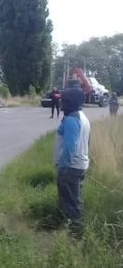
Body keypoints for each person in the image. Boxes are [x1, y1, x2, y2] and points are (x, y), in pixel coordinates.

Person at [54, 87, 90, 237]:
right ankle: (75, 231)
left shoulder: (72, 120)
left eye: (64, 101)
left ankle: (74, 234)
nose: (61, 103)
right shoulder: (82, 117)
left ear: (71, 102)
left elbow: (69, 146)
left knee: (70, 203)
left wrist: (63, 166)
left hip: (70, 167)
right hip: (79, 165)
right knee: (75, 200)